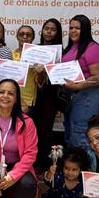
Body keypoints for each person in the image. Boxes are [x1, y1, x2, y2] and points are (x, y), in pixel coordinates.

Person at [61, 15, 99, 155]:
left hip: (88, 97)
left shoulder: (93, 48)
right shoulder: (71, 47)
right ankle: (73, 168)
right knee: (71, 134)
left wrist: (77, 86)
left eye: (77, 28)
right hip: (72, 97)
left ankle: (86, 168)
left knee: (82, 135)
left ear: (85, 29)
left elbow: (98, 78)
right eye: (71, 28)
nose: (73, 31)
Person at [34, 18, 64, 169]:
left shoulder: (61, 52)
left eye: (53, 29)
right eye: (46, 29)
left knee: (45, 131)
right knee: (32, 129)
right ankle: (33, 162)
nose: (49, 32)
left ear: (57, 33)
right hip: (33, 96)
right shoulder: (34, 49)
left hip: (50, 96)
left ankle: (45, 165)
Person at [11, 26, 43, 115]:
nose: (25, 37)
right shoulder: (10, 54)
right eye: (21, 34)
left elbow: (40, 83)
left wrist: (40, 73)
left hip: (28, 100)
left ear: (33, 38)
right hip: (9, 98)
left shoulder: (37, 56)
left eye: (28, 35)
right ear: (17, 36)